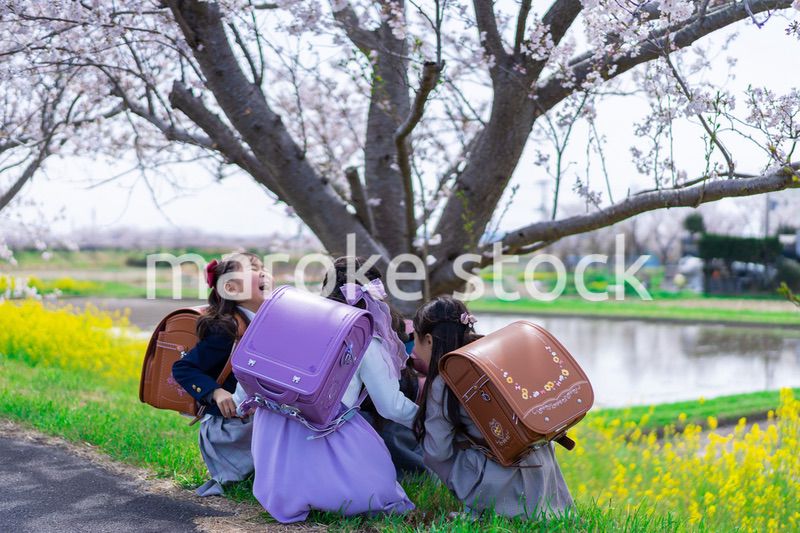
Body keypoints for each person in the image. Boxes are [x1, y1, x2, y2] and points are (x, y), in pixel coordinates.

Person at [247, 257, 417, 523]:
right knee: (381, 487)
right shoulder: (365, 339)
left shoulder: (297, 320)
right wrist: (428, 420)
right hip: (323, 427)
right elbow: (390, 406)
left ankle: (292, 492)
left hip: (272, 437)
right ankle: (330, 489)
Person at [413, 296, 574, 519]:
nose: (413, 349)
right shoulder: (494, 357)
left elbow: (437, 451)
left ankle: (484, 507)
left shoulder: (446, 381)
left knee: (436, 449)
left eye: (415, 338)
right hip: (546, 477)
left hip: (501, 484)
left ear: (429, 340)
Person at [172, 252, 269, 496]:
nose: (263, 273)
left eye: (263, 268)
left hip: (254, 419)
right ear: (232, 288)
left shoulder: (266, 320)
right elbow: (183, 368)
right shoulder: (226, 329)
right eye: (253, 269)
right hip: (231, 429)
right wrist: (215, 392)